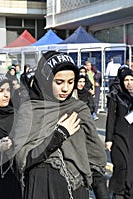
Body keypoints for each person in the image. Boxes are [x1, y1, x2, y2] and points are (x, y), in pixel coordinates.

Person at [13, 51, 109, 199]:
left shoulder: (79, 109)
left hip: (75, 189)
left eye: (71, 82)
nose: (65, 88)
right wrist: (58, 135)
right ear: (45, 80)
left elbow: (94, 158)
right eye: (59, 82)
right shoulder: (30, 111)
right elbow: (22, 159)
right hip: (40, 188)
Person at [105, 68, 133, 199]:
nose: (129, 83)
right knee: (122, 165)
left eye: (131, 80)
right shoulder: (115, 95)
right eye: (126, 80)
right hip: (119, 136)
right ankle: (118, 193)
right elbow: (111, 118)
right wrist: (108, 139)